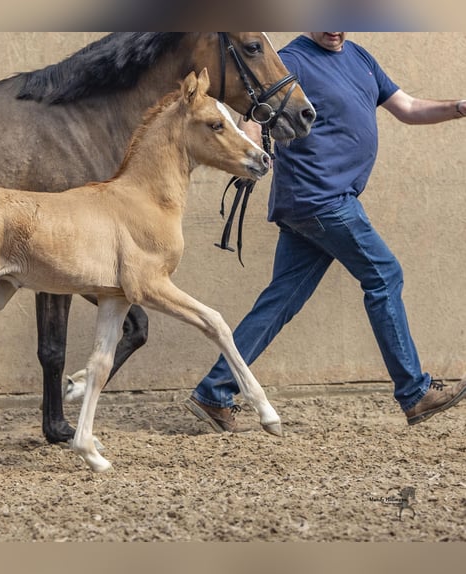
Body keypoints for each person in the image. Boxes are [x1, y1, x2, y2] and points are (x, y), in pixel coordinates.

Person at [185, 32, 466, 433]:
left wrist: (458, 107)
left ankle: (214, 392)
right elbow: (251, 113)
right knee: (384, 275)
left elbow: (407, 107)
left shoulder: (360, 58)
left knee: (279, 302)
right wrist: (248, 146)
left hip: (315, 204)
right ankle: (413, 392)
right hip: (322, 199)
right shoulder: (292, 59)